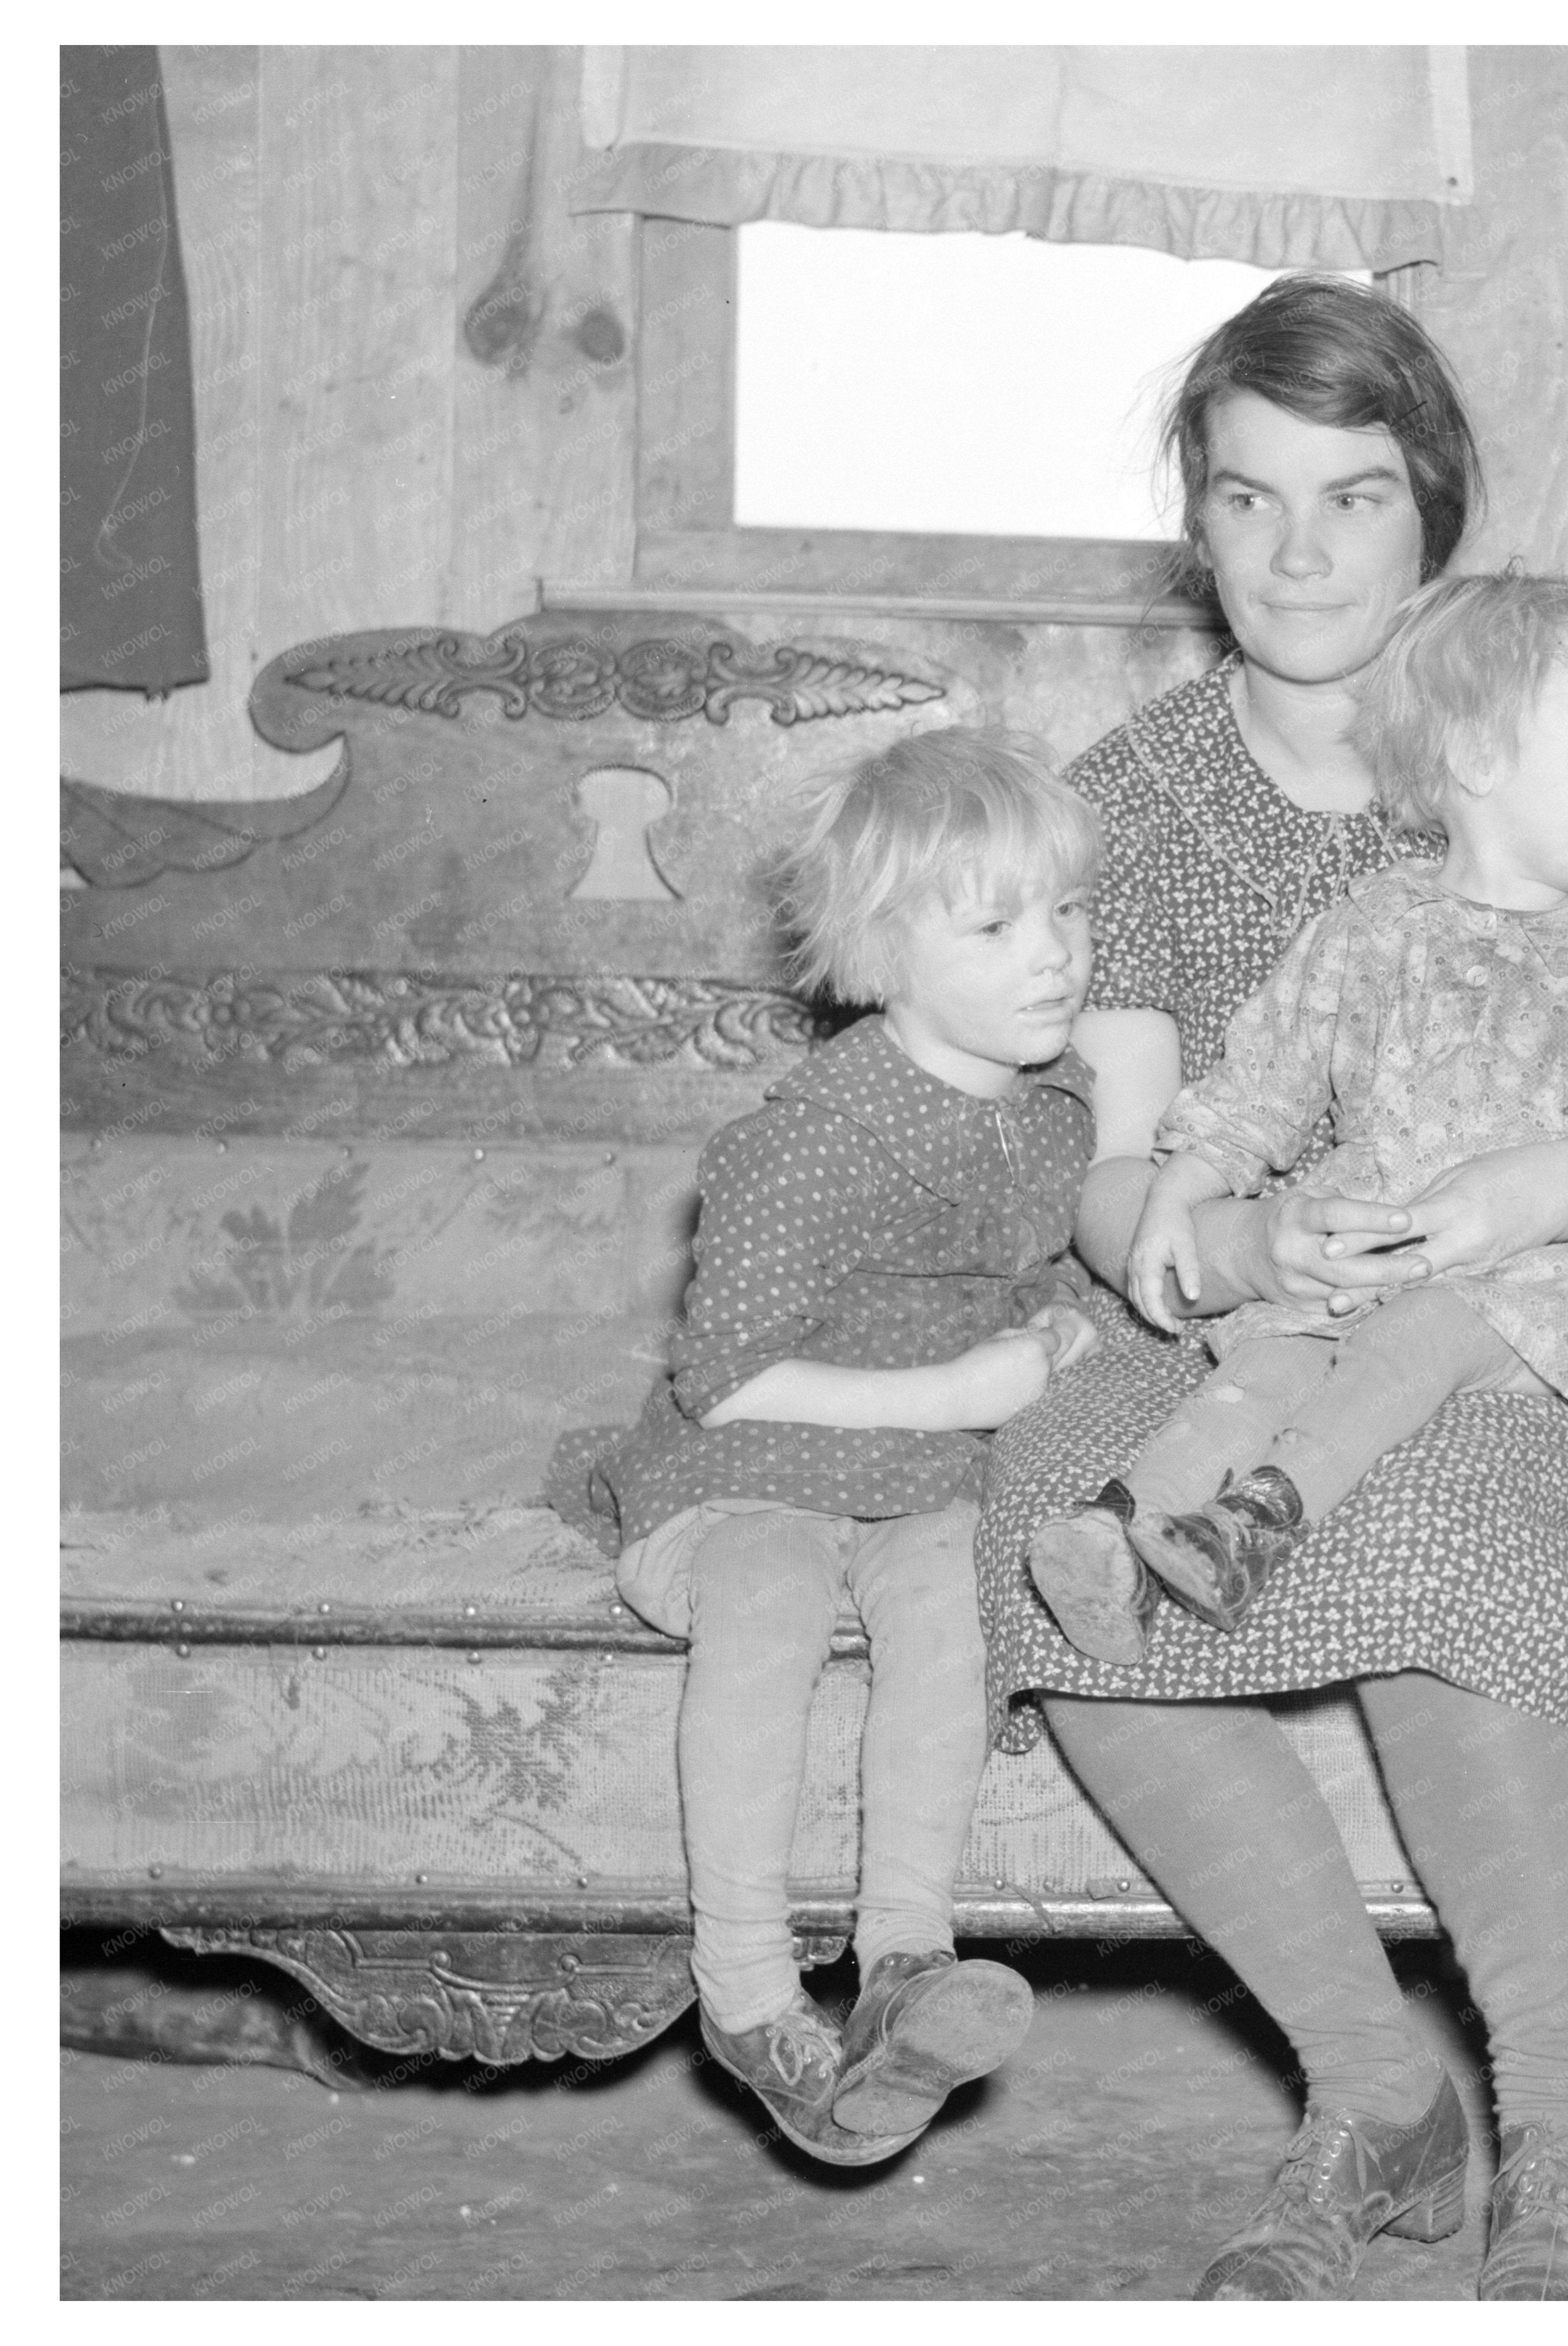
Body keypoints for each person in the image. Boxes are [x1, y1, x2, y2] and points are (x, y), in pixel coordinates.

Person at [972, 276, 1568, 2301]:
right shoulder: (1147, 788)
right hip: (1262, 1318)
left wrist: (1529, 1199)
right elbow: (1128, 1175)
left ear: (1436, 510)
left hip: (1532, 1326)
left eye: (1355, 495)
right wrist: (1234, 1242)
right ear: (1199, 523)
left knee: (1435, 1538)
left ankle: (1561, 2136)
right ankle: (1373, 2100)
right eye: (1250, 501)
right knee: (1045, 1530)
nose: (1305, 551)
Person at [1025, 573, 1568, 1660]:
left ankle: (1255, 1527)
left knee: (1418, 1336)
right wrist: (1182, 1195)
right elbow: (1261, 1091)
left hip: (1554, 1283)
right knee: (1273, 1356)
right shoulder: (1371, 924)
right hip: (1379, 1245)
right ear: (1475, 756)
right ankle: (1119, 1530)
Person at [566, 729, 1105, 2166]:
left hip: (922, 1482)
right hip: (746, 1471)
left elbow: (1030, 1273)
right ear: (883, 951)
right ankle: (746, 1988)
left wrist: (1059, 1336)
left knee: (953, 1608)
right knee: (773, 1601)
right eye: (997, 924)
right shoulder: (804, 1143)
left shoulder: (1053, 1110)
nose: (1053, 953)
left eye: (1068, 908)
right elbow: (723, 1382)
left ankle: (905, 1967)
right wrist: (956, 1392)